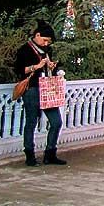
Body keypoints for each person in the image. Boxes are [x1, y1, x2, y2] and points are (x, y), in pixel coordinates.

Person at [14, 22, 66, 167]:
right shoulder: (25, 50)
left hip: (47, 89)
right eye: (44, 40)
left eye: (48, 41)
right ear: (37, 35)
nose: (46, 43)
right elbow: (19, 69)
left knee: (56, 122)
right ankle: (29, 155)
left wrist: (51, 66)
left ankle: (50, 153)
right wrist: (36, 67)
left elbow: (50, 70)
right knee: (31, 122)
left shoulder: (47, 50)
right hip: (32, 89)